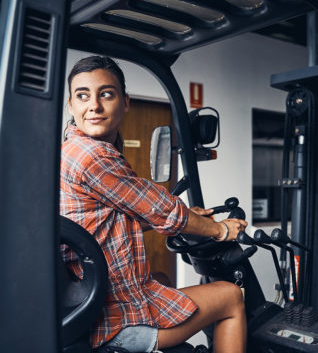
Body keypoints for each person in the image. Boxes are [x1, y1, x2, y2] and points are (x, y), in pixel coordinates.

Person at [60, 55, 247, 353]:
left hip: (89, 302)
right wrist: (220, 229)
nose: (93, 106)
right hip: (113, 322)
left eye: (105, 94)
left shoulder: (73, 149)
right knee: (231, 296)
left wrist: (190, 217)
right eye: (83, 96)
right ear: (71, 105)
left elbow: (110, 221)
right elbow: (163, 209)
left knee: (161, 279)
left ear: (125, 102)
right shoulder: (92, 155)